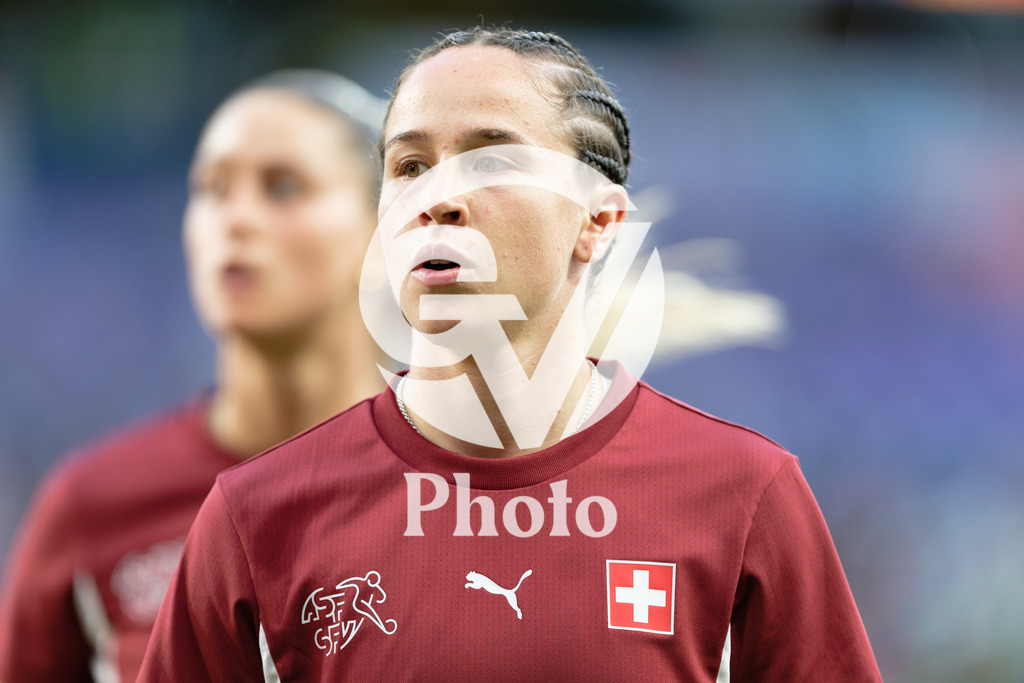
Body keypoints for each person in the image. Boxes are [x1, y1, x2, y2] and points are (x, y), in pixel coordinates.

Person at [140, 28, 881, 681]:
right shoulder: (256, 517)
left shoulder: (746, 497)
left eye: (490, 161)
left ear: (598, 221)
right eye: (409, 166)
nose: (438, 197)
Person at [0, 70, 384, 682]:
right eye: (211, 188)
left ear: (383, 228)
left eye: (283, 187)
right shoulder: (91, 505)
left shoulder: (456, 487)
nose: (235, 219)